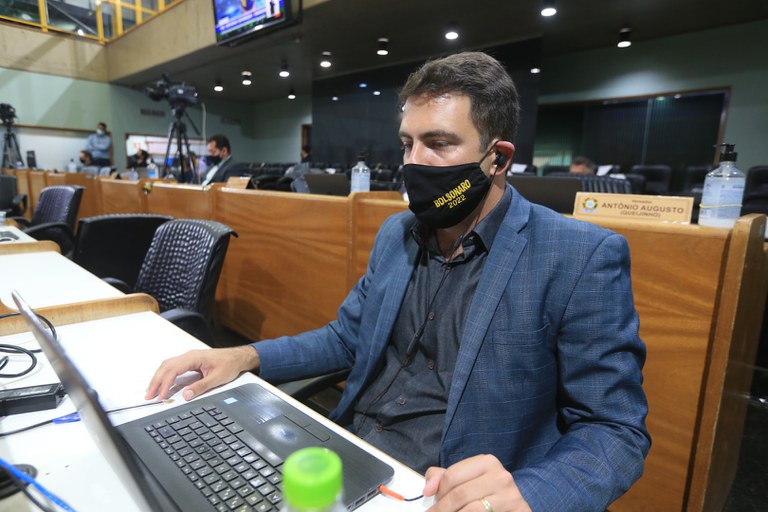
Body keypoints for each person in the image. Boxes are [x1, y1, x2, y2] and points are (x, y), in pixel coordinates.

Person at [146, 52, 650, 512]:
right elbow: (346, 338)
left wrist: (530, 495)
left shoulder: (579, 256)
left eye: (439, 144)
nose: (414, 162)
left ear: (498, 158)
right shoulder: (398, 233)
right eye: (408, 143)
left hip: (441, 489)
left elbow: (615, 429)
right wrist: (244, 356)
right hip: (348, 453)